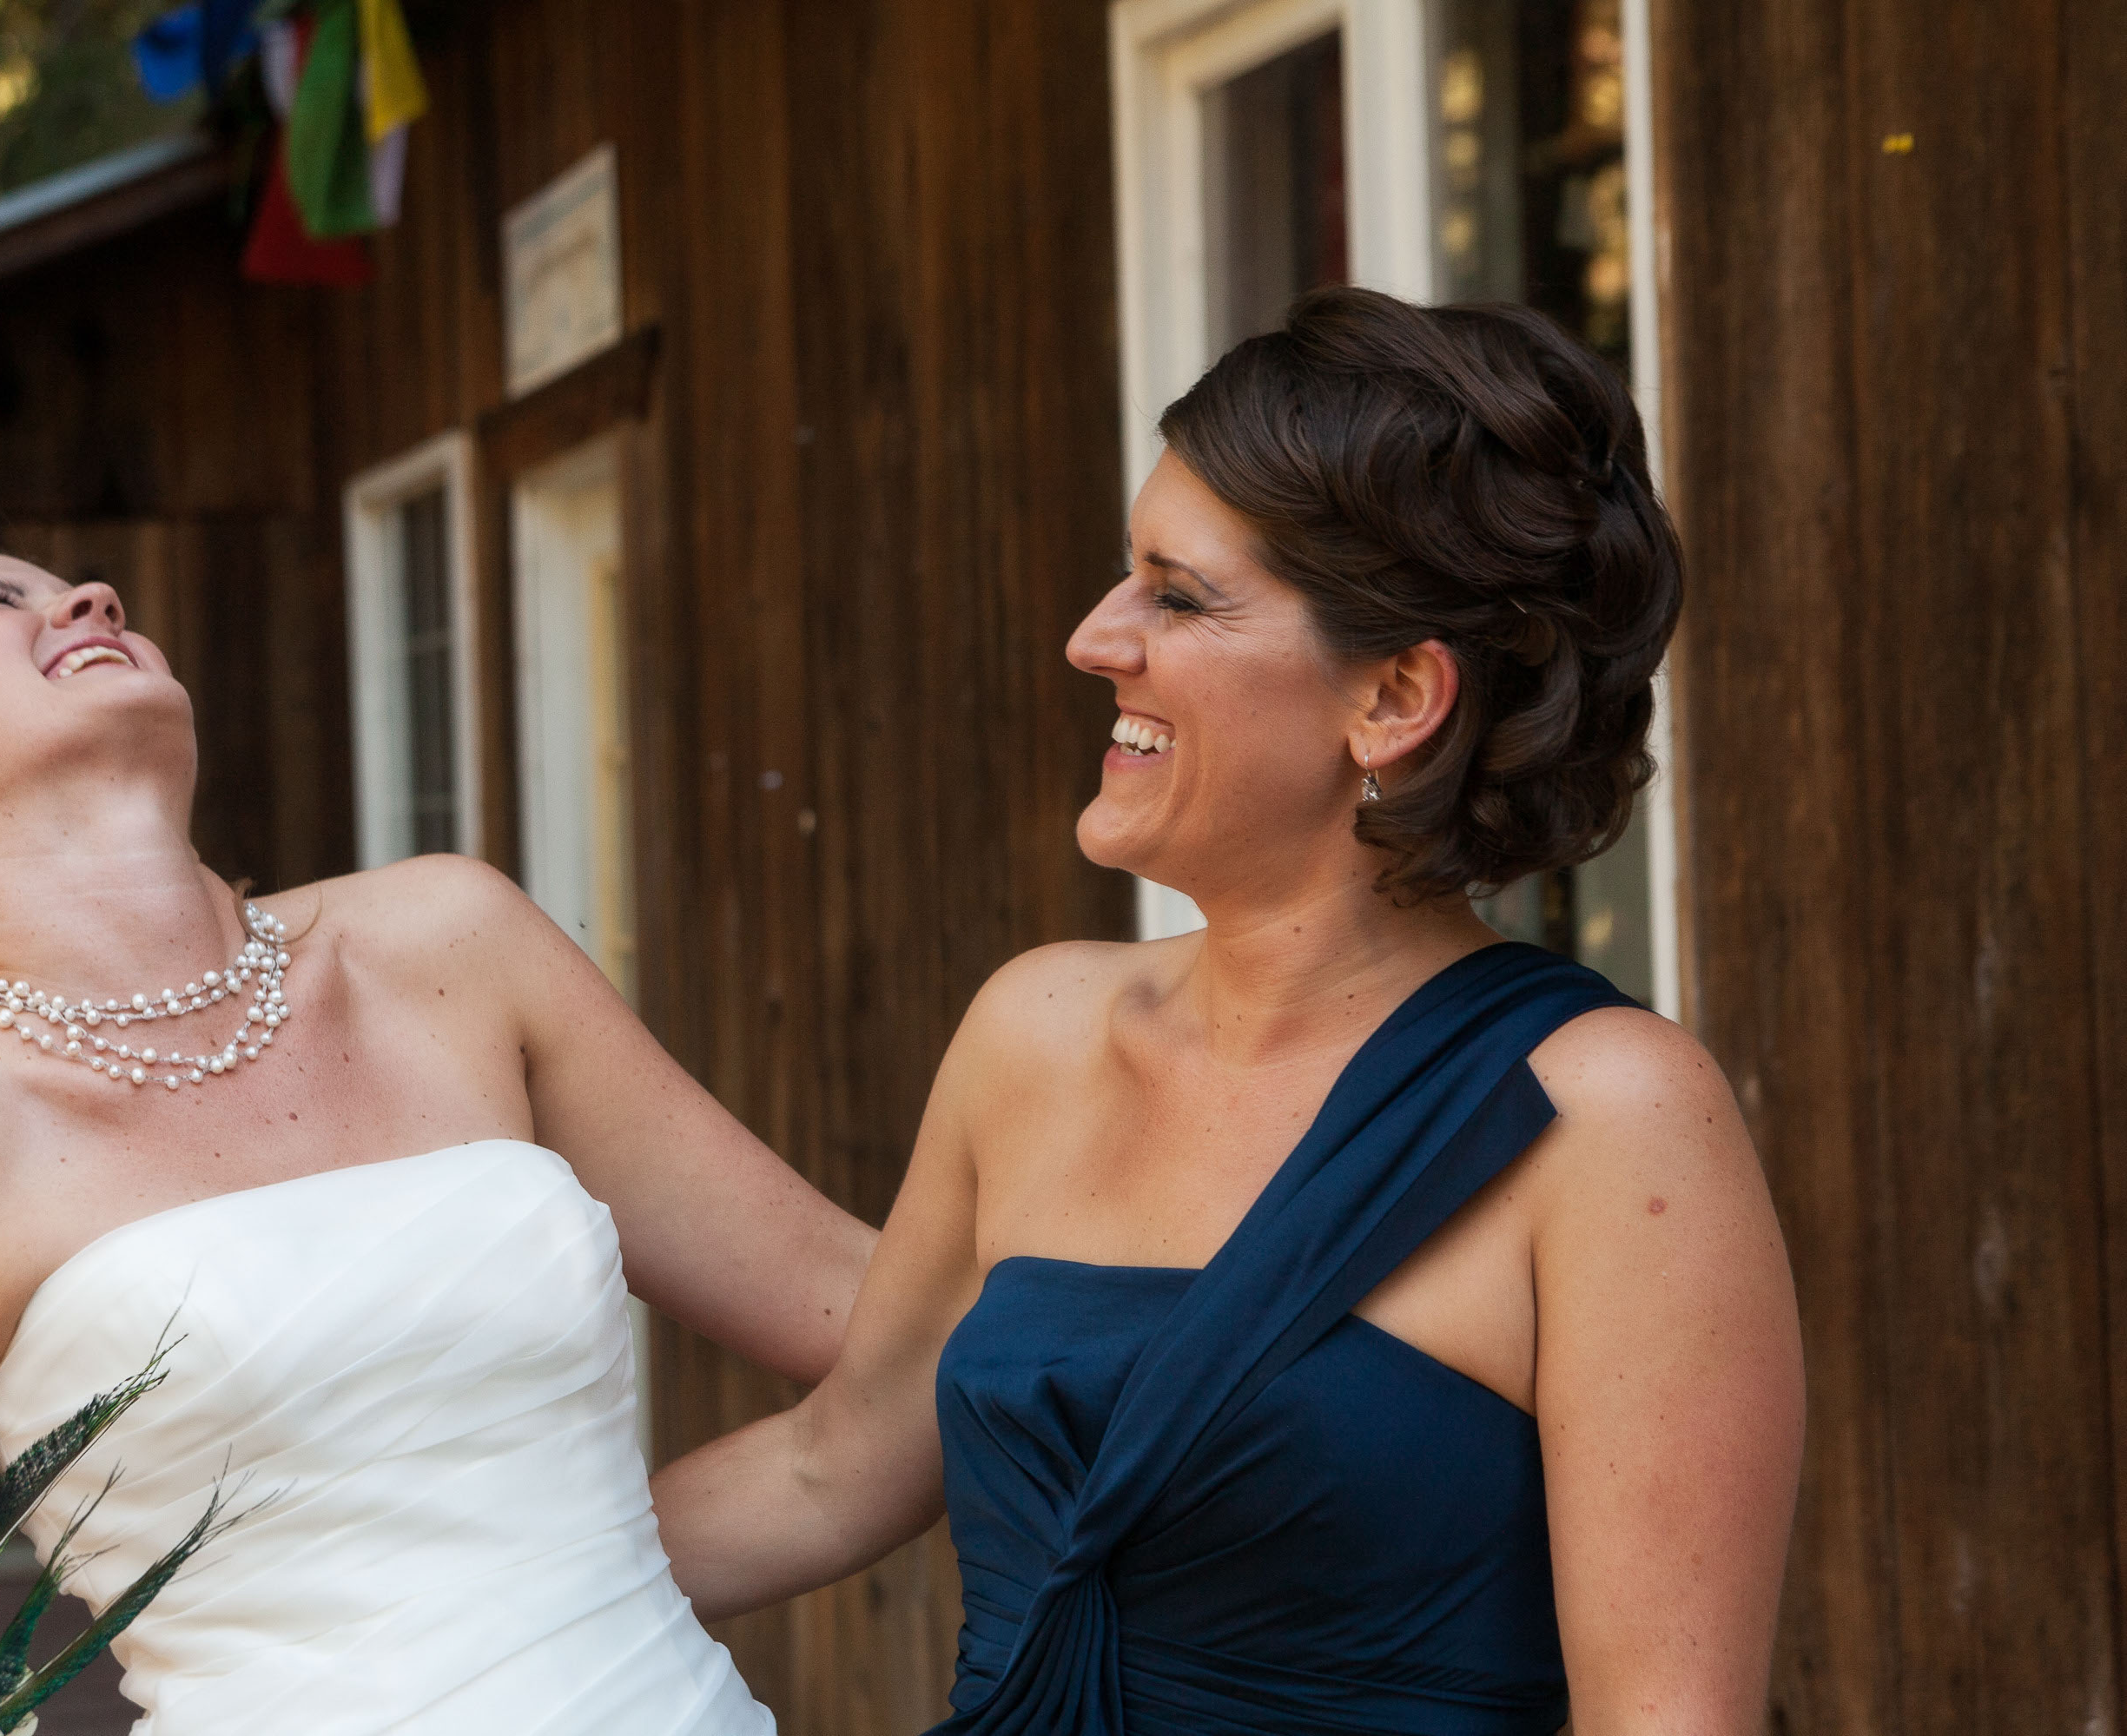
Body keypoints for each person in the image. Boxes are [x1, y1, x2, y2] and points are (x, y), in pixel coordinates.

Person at [651, 287, 1807, 1734]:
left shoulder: (1609, 1121)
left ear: (1394, 698)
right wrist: (388, 1601)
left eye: (1176, 594)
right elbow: (832, 1466)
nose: (1092, 637)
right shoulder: (1036, 1034)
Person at [0, 543, 873, 1734]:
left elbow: (867, 1319)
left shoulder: (453, 941)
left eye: (83, 588)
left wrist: (584, 1591)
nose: (92, 600)